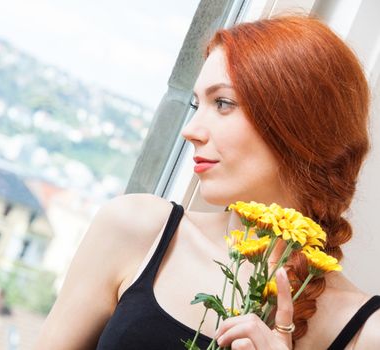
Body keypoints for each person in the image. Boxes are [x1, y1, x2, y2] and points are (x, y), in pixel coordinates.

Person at [35, 14, 380, 349]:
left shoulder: (366, 332)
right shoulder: (138, 230)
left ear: (299, 125)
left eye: (223, 103)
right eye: (196, 105)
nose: (191, 131)